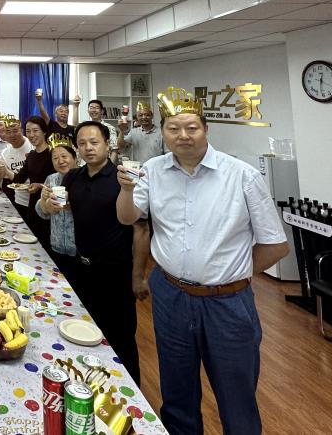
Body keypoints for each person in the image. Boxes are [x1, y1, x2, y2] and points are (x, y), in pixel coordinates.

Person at [116, 88, 288, 435]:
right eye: (174, 128)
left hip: (228, 302)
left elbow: (275, 245)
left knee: (236, 394)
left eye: (191, 127)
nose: (183, 135)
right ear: (163, 133)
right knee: (176, 390)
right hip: (170, 294)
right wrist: (126, 189)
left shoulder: (241, 175)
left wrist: (229, 274)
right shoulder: (152, 170)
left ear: (206, 129)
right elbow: (127, 217)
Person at [39, 120, 149, 386]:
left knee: (120, 338)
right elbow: (59, 209)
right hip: (80, 268)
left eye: (94, 142)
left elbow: (141, 230)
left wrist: (138, 276)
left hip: (114, 271)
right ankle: (88, 385)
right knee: (82, 330)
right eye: (82, 143)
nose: (88, 148)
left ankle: (130, 394)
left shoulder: (122, 178)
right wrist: (48, 204)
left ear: (107, 144)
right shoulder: (73, 177)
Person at [35, 135, 81, 283]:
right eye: (55, 158)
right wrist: (44, 202)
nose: (60, 161)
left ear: (75, 157)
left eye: (64, 156)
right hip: (56, 246)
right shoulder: (51, 179)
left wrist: (73, 205)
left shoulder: (85, 178)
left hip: (79, 251)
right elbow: (42, 213)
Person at [20, 116, 52, 246]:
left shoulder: (53, 154)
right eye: (28, 131)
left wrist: (40, 185)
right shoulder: (31, 155)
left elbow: (61, 183)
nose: (31, 135)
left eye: (35, 130)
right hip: (32, 206)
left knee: (45, 246)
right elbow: (19, 179)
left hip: (49, 208)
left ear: (44, 131)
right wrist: (1, 167)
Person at [0, 115, 32, 198]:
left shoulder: (32, 145)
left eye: (15, 131)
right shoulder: (5, 153)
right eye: (8, 132)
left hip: (36, 195)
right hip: (18, 197)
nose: (12, 135)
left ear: (22, 131)